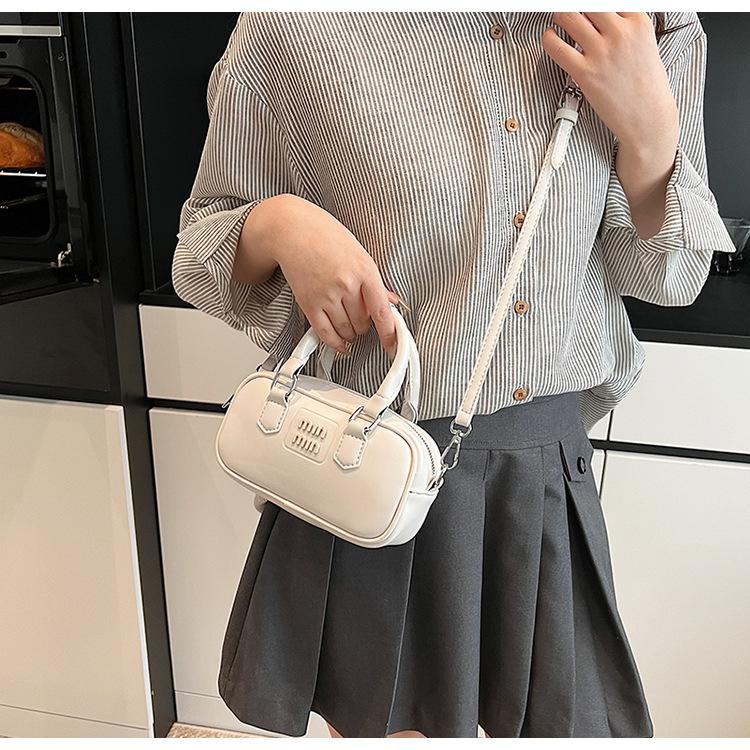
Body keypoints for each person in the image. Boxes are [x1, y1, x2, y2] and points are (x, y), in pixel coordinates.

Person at [171, 12, 735, 738]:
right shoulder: (295, 26)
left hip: (540, 478)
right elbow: (200, 255)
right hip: (372, 462)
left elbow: (670, 277)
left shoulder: (643, 24)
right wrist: (281, 225)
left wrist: (651, 132)